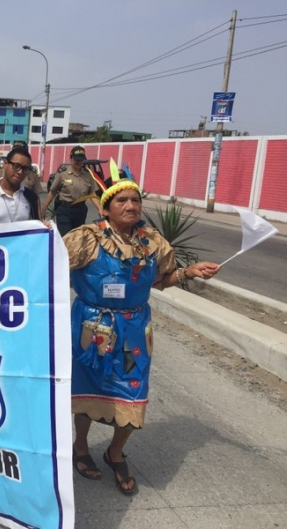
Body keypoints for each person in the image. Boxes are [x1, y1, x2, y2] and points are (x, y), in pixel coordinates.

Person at [63, 173, 220, 495]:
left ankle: (114, 452)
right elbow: (48, 266)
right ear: (105, 209)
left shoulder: (152, 242)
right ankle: (81, 446)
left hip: (134, 329)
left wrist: (188, 272)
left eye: (135, 200)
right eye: (122, 200)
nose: (131, 205)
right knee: (86, 386)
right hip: (90, 327)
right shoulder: (86, 238)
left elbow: (162, 279)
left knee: (134, 388)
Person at [42, 145, 103, 236]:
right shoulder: (63, 174)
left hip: (80, 211)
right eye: (76, 160)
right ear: (71, 159)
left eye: (80, 160)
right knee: (66, 237)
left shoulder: (87, 175)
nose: (78, 162)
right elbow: (52, 192)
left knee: (77, 238)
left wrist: (100, 209)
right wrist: (44, 208)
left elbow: (92, 193)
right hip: (65, 210)